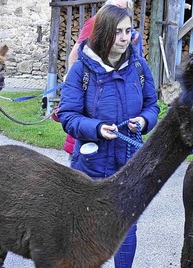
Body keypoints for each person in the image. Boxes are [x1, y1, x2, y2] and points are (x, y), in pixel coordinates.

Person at [57, 5, 160, 268]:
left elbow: (153, 105)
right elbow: (68, 115)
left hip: (129, 161)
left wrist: (143, 120)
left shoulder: (139, 67)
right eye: (118, 32)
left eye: (128, 31)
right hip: (90, 164)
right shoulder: (81, 70)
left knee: (127, 225)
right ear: (103, 33)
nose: (125, 38)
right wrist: (96, 128)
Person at [58, 0, 141, 161]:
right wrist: (74, 79)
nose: (119, 12)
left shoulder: (128, 33)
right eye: (116, 7)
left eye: (124, 9)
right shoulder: (95, 23)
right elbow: (75, 54)